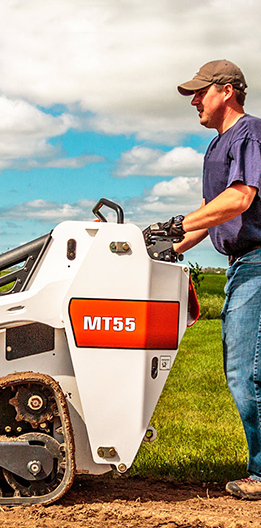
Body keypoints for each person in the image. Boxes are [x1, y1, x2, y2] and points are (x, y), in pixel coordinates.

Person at [150, 59, 261, 499]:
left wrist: (179, 224)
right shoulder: (216, 148)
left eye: (200, 92)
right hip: (240, 262)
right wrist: (160, 251)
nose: (194, 100)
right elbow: (208, 217)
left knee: (245, 373)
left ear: (227, 90)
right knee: (246, 371)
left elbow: (239, 198)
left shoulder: (249, 134)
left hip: (257, 261)